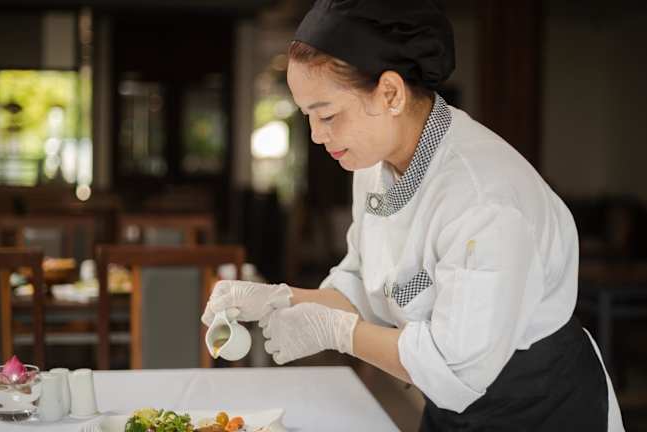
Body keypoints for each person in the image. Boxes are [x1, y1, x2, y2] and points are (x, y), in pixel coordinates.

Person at [202, 0, 625, 430]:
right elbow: (364, 287)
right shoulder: (372, 164)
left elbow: (454, 370)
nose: (315, 135)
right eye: (308, 115)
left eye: (327, 114)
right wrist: (280, 297)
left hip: (539, 406)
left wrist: (336, 332)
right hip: (446, 407)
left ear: (390, 93)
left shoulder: (485, 198)